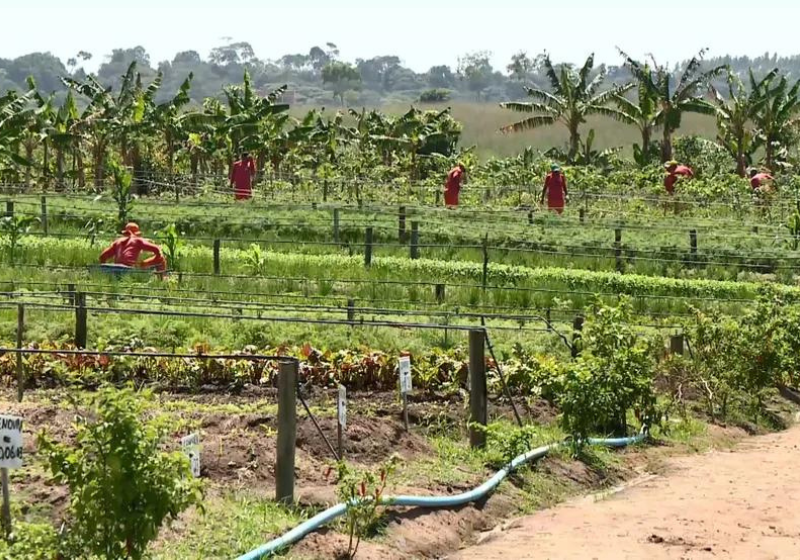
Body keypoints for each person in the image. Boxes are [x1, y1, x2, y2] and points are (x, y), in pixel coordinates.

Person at [99, 222, 167, 272]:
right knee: (161, 258)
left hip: (114, 269)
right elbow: (157, 250)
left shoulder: (118, 241)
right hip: (128, 270)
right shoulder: (138, 240)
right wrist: (144, 263)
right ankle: (162, 278)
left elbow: (102, 257)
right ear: (137, 234)